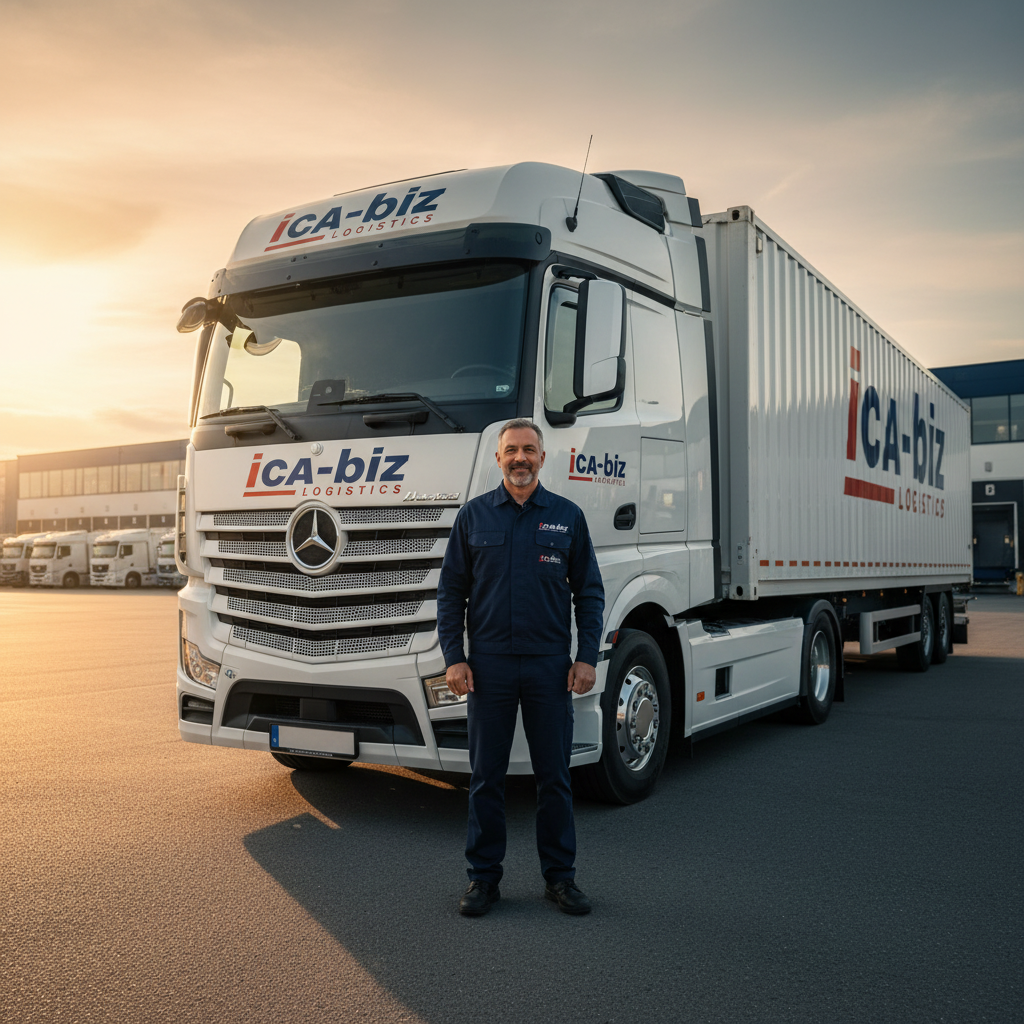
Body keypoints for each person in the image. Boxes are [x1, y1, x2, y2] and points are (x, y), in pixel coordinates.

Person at [437, 418, 605, 916]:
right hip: (488, 668)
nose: (520, 459)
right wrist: (455, 658)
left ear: (542, 457)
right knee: (486, 777)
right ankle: (482, 881)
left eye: (529, 450)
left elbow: (589, 593)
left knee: (554, 777)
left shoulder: (567, 517)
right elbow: (450, 594)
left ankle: (560, 879)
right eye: (511, 450)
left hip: (549, 668)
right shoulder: (473, 517)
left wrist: (586, 656)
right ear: (498, 458)